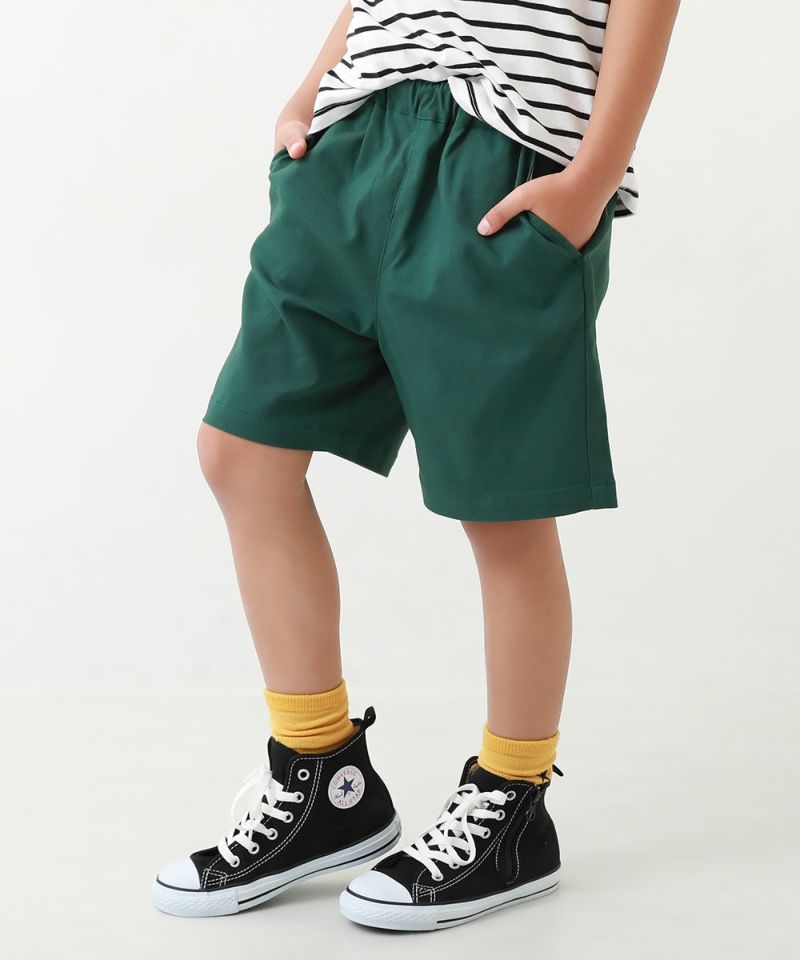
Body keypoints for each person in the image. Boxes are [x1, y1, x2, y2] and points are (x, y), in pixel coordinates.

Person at [153, 0, 680, 930]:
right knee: (241, 451)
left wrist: (592, 178)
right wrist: (310, 96)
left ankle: (513, 804)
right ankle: (323, 777)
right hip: (351, 145)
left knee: (501, 504)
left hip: (502, 156)